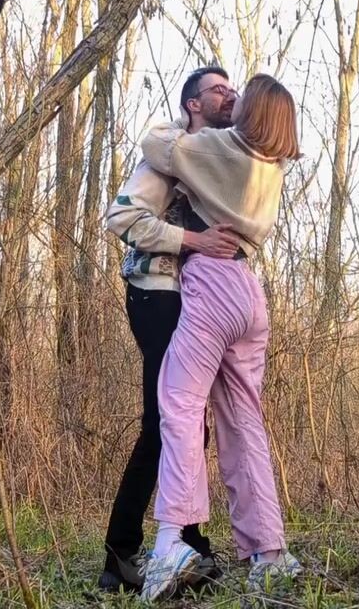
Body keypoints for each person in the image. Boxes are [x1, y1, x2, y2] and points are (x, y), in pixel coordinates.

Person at [139, 74, 303, 601]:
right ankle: (269, 552)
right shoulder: (273, 164)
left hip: (212, 283)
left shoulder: (220, 148)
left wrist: (187, 123)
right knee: (243, 421)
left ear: (251, 113)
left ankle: (171, 540)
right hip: (249, 292)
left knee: (180, 402)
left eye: (240, 97)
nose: (232, 99)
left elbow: (156, 144)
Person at [98, 67, 244, 593]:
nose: (229, 95)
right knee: (163, 420)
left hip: (199, 301)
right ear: (193, 104)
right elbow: (122, 218)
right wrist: (194, 242)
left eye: (232, 89)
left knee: (189, 423)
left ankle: (189, 544)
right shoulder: (168, 153)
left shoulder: (218, 157)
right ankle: (121, 553)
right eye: (218, 90)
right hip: (157, 292)